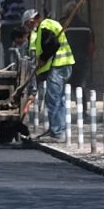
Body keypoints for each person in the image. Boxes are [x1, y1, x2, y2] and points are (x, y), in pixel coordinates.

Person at [24, 8, 75, 140]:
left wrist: (44, 58)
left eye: (28, 24)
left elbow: (53, 44)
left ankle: (57, 132)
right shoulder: (48, 25)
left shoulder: (45, 26)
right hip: (63, 65)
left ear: (32, 20)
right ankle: (58, 129)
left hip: (59, 65)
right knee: (59, 99)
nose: (29, 28)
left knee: (53, 99)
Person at [62, 1, 93, 105]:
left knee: (64, 85)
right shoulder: (86, 27)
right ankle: (83, 110)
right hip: (82, 60)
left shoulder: (63, 25)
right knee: (80, 86)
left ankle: (63, 110)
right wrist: (89, 57)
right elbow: (92, 45)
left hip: (66, 60)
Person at [0, 0, 26, 66]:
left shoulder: (18, 0)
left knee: (18, 46)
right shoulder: (2, 0)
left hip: (16, 25)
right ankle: (7, 67)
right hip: (5, 26)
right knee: (6, 48)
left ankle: (17, 65)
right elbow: (0, 11)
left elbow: (22, 12)